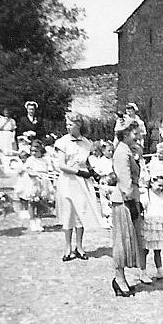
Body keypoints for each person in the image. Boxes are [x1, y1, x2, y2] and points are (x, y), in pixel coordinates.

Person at [54, 112, 104, 262]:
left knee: (81, 213)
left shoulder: (86, 143)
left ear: (79, 125)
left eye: (71, 124)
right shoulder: (62, 142)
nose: (68, 126)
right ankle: (68, 247)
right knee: (68, 213)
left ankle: (79, 246)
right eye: (67, 124)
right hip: (68, 181)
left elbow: (88, 162)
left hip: (82, 183)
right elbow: (62, 165)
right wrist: (79, 172)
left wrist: (93, 172)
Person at [113, 116, 153, 284]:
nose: (138, 137)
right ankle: (119, 279)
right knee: (122, 240)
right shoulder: (122, 153)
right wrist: (131, 202)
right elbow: (125, 181)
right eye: (135, 133)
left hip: (130, 199)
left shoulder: (127, 150)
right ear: (126, 133)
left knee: (130, 239)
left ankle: (121, 278)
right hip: (124, 201)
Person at [141, 175, 163, 279]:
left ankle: (159, 271)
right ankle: (143, 273)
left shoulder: (162, 195)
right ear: (151, 183)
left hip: (158, 224)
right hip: (149, 224)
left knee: (158, 249)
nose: (161, 188)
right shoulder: (147, 195)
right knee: (145, 250)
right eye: (159, 185)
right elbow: (142, 208)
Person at [23, 140, 54, 232]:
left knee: (42, 202)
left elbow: (49, 170)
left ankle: (38, 221)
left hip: (44, 182)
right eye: (32, 151)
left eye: (36, 151)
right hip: (34, 182)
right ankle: (32, 222)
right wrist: (36, 175)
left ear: (41, 150)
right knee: (33, 202)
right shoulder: (30, 160)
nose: (33, 153)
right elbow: (29, 171)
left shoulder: (45, 160)